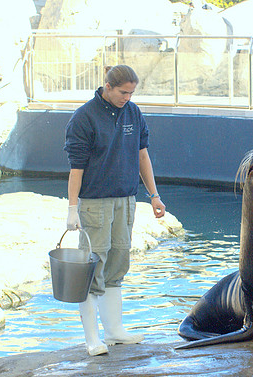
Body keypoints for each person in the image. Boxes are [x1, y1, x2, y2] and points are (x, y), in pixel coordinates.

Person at [64, 64, 166, 356]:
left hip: (125, 199)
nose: (127, 98)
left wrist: (154, 195)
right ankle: (92, 339)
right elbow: (76, 168)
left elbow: (142, 154)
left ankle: (114, 332)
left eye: (132, 93)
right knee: (93, 267)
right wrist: (73, 209)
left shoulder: (133, 112)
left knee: (118, 263)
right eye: (123, 92)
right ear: (107, 87)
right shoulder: (84, 118)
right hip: (95, 202)